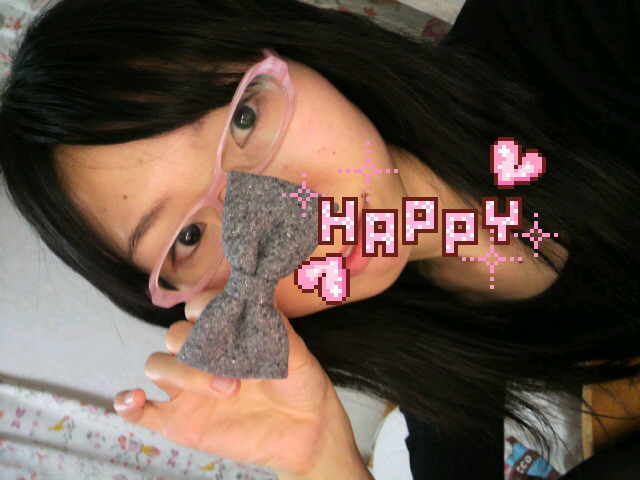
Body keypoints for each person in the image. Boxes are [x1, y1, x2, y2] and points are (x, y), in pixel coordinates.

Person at [0, 0, 638, 479]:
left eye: (245, 118)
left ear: (297, 50)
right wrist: (324, 463)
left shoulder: (570, 24)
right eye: (190, 236)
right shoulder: (442, 375)